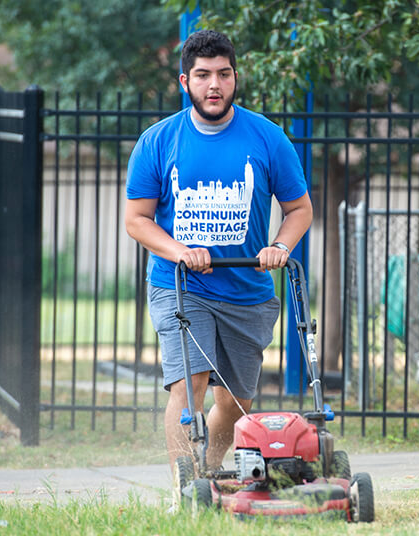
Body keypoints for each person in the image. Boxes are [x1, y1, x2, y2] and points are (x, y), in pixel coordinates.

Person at [124, 30, 312, 474]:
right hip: (181, 286)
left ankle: (207, 473)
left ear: (235, 77)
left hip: (247, 288)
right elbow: (137, 220)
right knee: (189, 386)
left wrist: (280, 246)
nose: (214, 85)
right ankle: (183, 488)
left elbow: (299, 208)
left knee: (234, 403)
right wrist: (180, 251)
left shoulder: (267, 138)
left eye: (223, 75)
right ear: (184, 81)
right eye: (203, 75)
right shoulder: (158, 141)